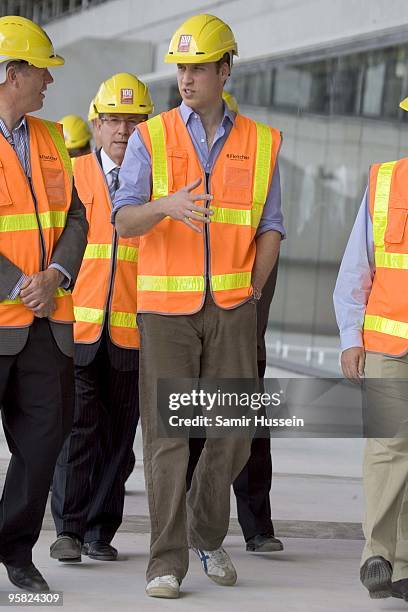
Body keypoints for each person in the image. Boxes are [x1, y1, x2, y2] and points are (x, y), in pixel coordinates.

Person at [114, 13, 284, 599]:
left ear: (225, 69)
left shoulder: (261, 143)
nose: (186, 78)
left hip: (233, 305)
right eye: (182, 68)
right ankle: (166, 562)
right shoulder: (150, 137)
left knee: (232, 430)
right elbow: (121, 220)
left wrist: (253, 290)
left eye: (199, 68)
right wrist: (166, 205)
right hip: (166, 310)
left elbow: (271, 228)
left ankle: (206, 532)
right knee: (167, 435)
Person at [49, 73, 152, 564]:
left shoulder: (156, 187)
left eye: (133, 121)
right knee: (77, 429)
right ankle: (67, 528)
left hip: (134, 332)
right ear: (96, 123)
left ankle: (99, 532)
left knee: (119, 440)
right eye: (113, 120)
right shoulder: (73, 176)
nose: (123, 131)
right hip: (77, 328)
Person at [0, 15, 87, 592]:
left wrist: (54, 274)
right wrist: (17, 282)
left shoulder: (54, 137)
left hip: (45, 325)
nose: (49, 83)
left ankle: (14, 549)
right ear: (11, 73)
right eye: (41, 72)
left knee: (42, 442)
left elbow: (77, 218)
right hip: (9, 311)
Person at [188, 93, 283, 554]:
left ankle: (256, 527)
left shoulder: (257, 215)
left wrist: (250, 335)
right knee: (190, 432)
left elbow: (262, 277)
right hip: (193, 329)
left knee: (246, 434)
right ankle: (196, 522)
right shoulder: (195, 200)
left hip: (241, 337)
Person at [333, 94, 408, 601]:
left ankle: (403, 567)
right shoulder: (385, 182)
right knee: (388, 448)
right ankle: (377, 556)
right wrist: (349, 335)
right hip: (387, 343)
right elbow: (357, 266)